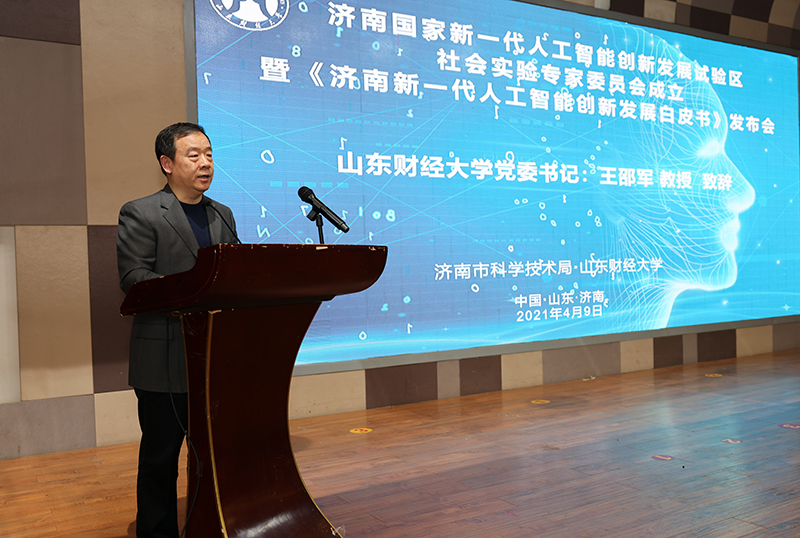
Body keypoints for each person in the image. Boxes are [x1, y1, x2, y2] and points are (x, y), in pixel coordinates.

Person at [116, 122, 238, 538]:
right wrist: (196, 293)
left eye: (209, 154)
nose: (206, 163)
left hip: (212, 358)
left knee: (210, 458)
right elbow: (134, 277)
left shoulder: (222, 214)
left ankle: (205, 527)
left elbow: (235, 272)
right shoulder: (142, 212)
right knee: (160, 458)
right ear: (167, 164)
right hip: (164, 358)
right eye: (194, 155)